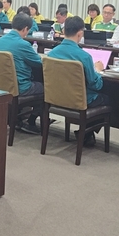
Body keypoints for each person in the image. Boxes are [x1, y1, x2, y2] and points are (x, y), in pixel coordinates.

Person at [47, 16, 108, 147]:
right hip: (79, 100)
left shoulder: (51, 54)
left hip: (56, 98)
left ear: (64, 31)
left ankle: (87, 134)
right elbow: (96, 85)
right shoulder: (84, 56)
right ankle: (86, 132)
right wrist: (98, 71)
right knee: (108, 99)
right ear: (80, 33)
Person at [0, 13, 44, 133]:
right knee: (47, 88)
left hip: (0, 85)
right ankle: (31, 122)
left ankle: (17, 117)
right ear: (25, 29)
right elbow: (40, 64)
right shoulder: (23, 44)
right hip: (20, 87)